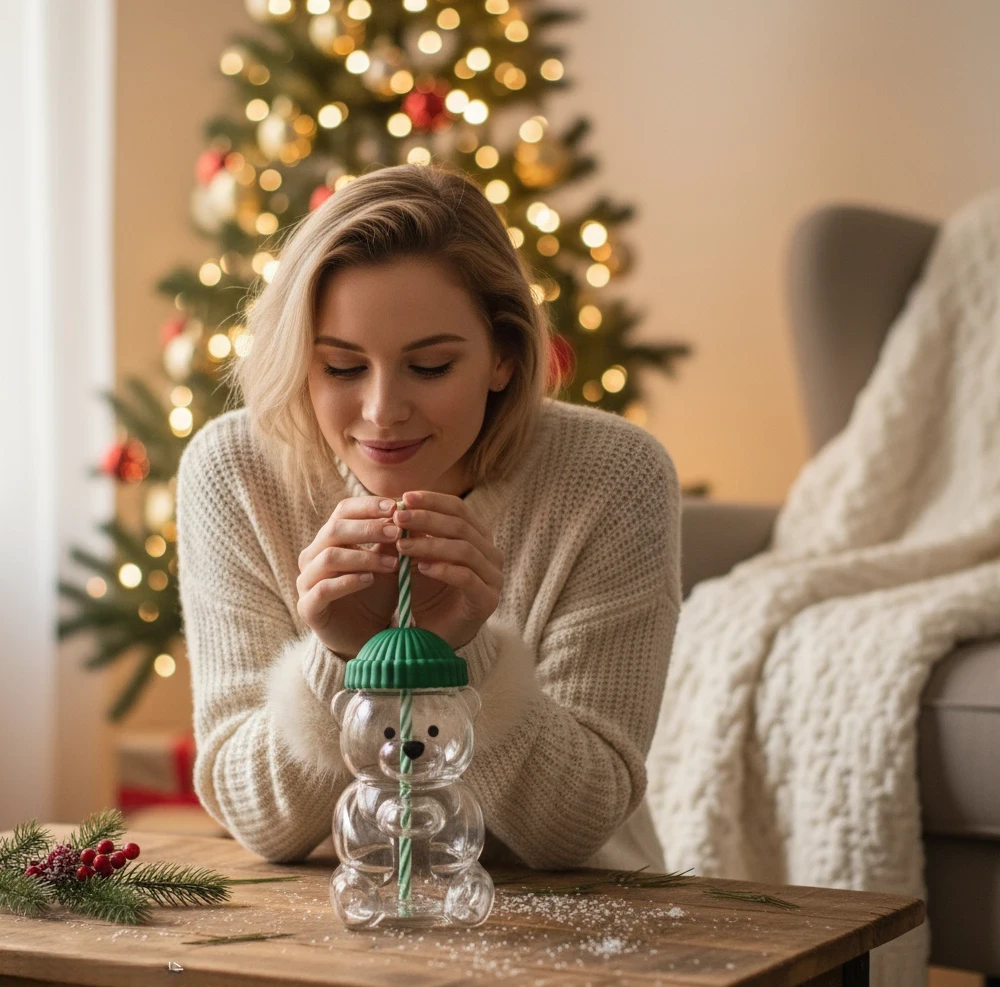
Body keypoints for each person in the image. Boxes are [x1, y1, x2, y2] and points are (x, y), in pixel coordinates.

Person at [176, 163, 681, 870]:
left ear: (503, 356)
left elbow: (575, 829)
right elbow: (260, 823)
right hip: (317, 925)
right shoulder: (235, 472)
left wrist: (459, 656)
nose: (383, 412)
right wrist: (343, 660)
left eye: (432, 366)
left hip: (583, 924)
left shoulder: (611, 476)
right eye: (343, 368)